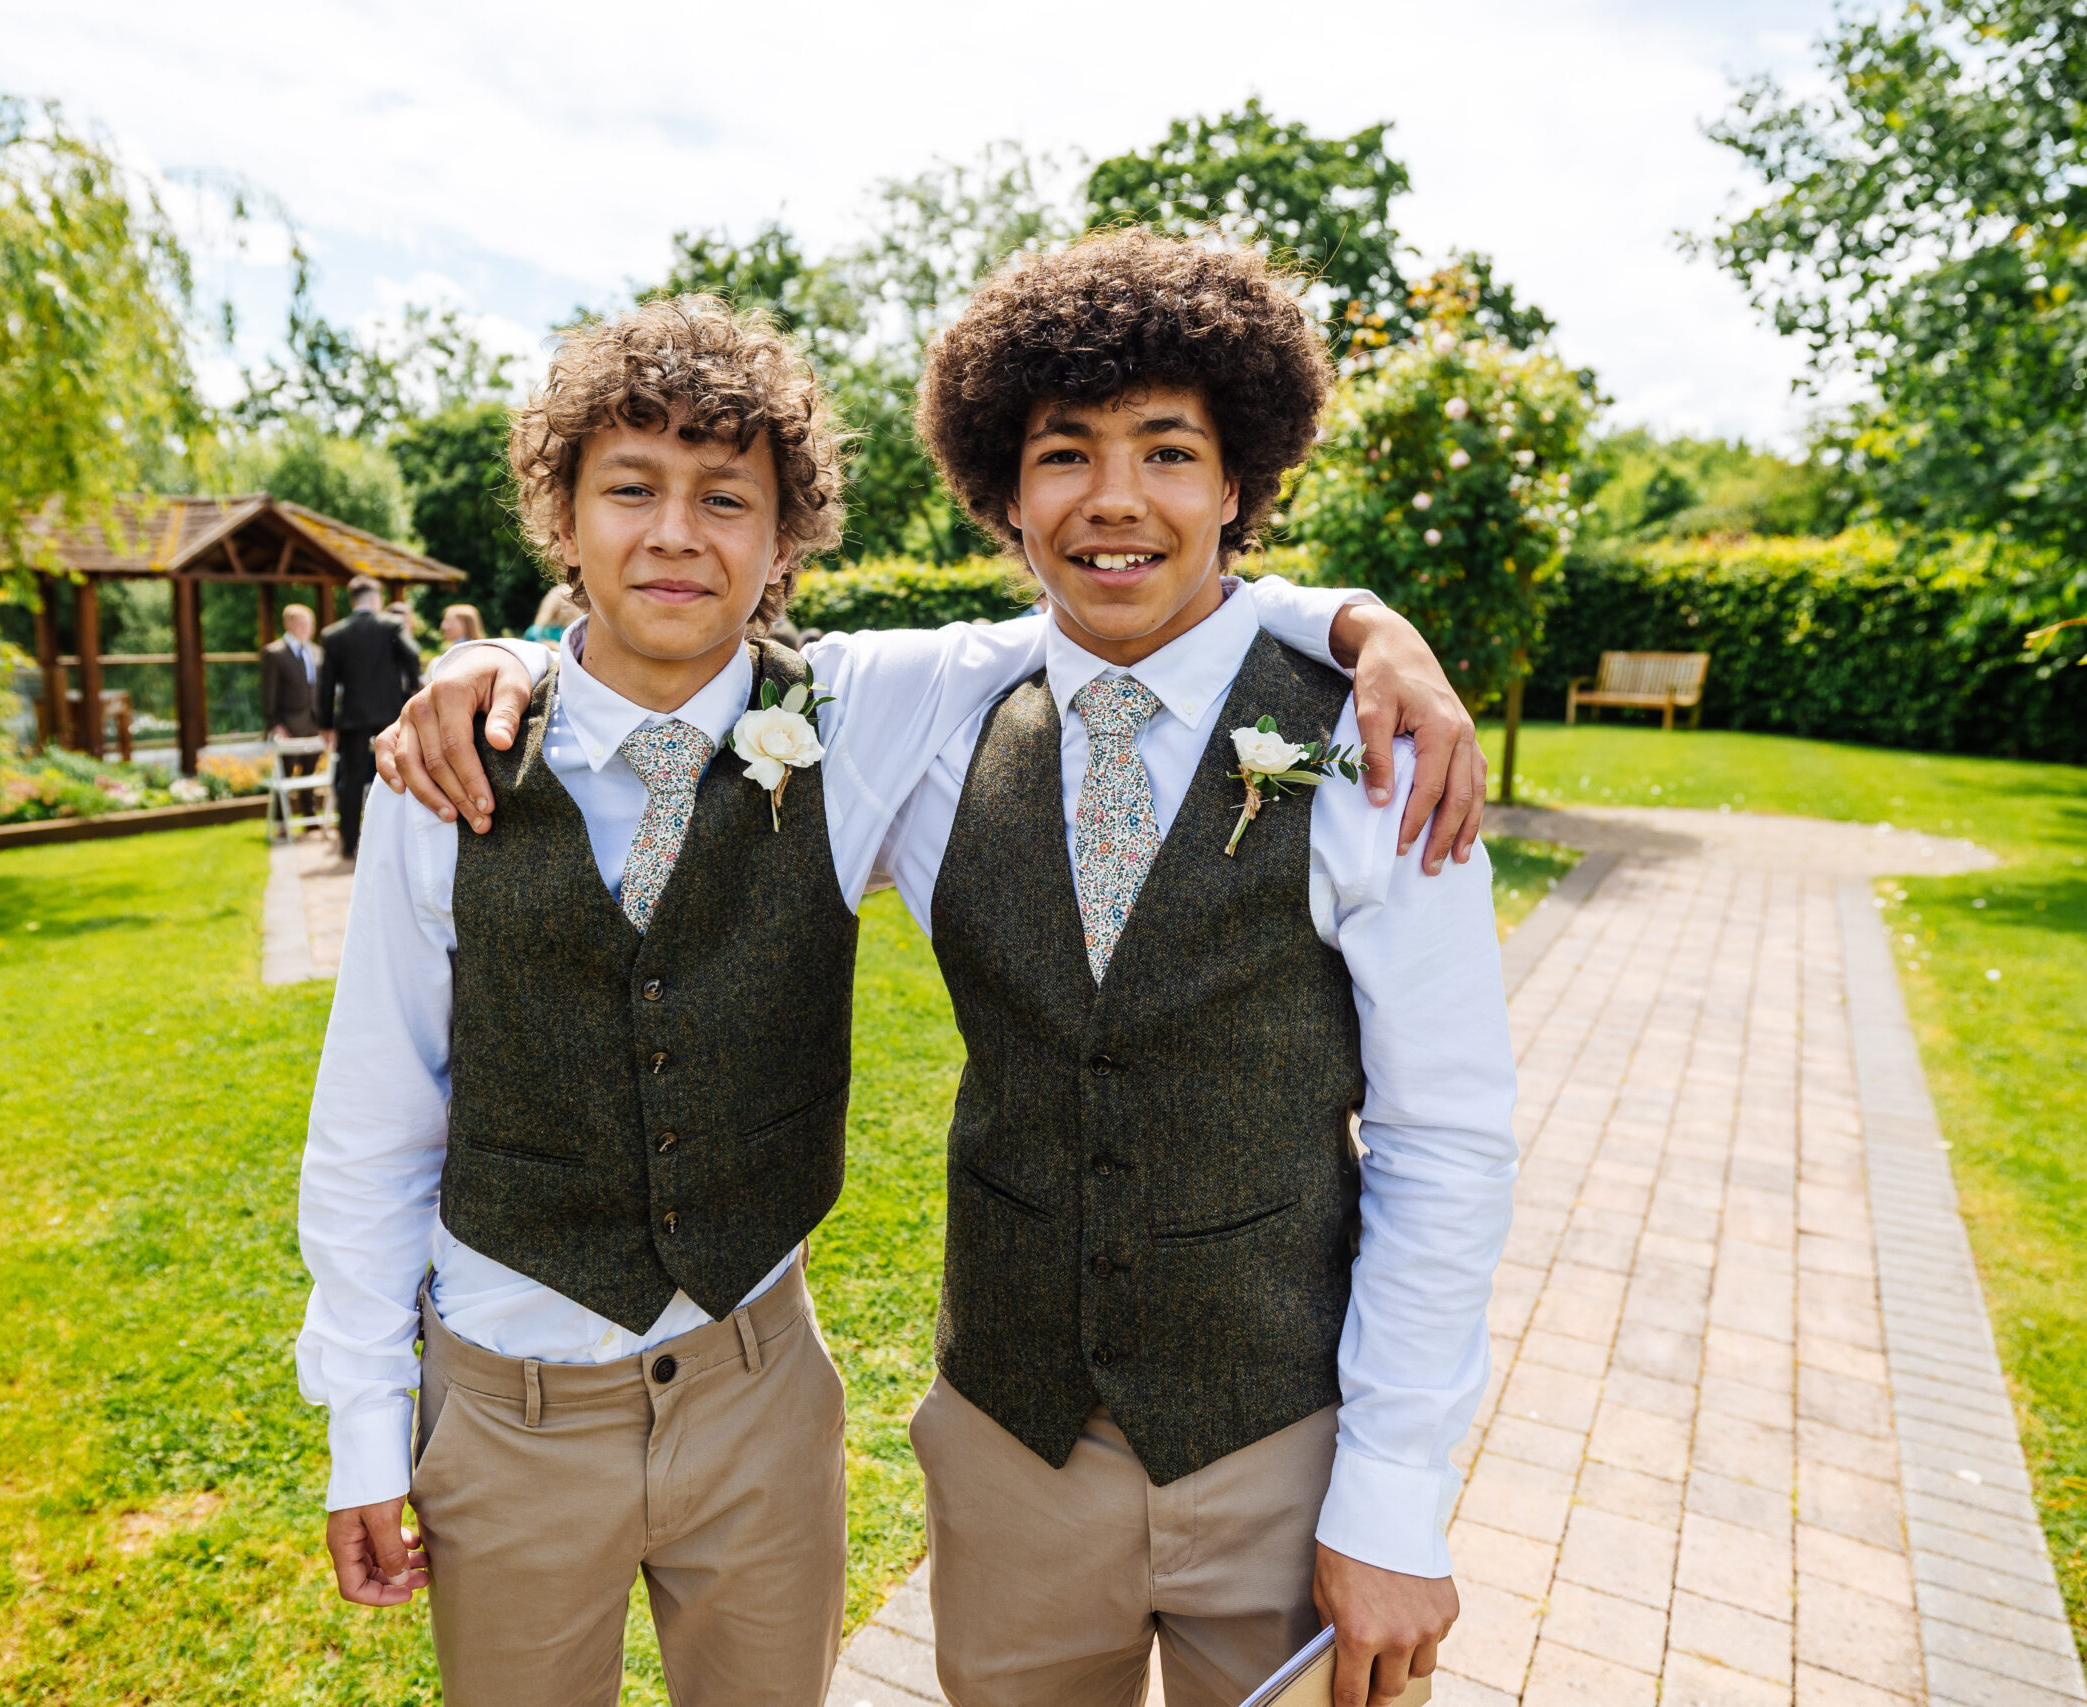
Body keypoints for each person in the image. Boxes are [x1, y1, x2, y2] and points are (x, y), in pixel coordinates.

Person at [383, 233, 1511, 1707]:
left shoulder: (1375, 752)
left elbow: (1448, 1143)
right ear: (1005, 496)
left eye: (1170, 452)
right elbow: (683, 657)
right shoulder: (934, 724)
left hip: (1284, 1447)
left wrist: (1394, 1497)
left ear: (1239, 484)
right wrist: (506, 665)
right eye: (1064, 457)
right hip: (1011, 1450)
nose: (1114, 499)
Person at [316, 576, 421, 859]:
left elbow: (326, 685)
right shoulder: (390, 625)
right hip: (390, 714)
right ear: (375, 599)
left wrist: (326, 723)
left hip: (352, 717)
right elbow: (412, 655)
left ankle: (349, 844)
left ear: (352, 601)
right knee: (398, 772)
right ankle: (399, 840)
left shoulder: (334, 634)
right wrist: (411, 689)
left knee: (350, 780)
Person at [261, 603, 326, 779]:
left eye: (309, 624)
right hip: (288, 724)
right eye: (300, 623)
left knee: (310, 774)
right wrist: (274, 724)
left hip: (313, 723)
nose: (305, 628)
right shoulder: (274, 653)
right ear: (288, 624)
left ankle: (308, 807)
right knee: (286, 774)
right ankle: (283, 808)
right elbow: (268, 692)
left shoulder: (317, 652)